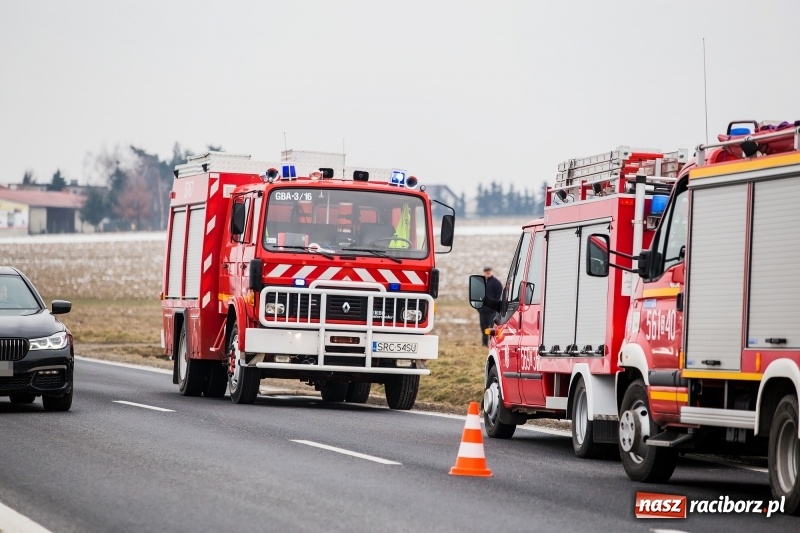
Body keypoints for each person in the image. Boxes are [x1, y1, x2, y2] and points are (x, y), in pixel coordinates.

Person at [478, 266, 503, 347]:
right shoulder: (481, 283)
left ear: (492, 271)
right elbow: (477, 296)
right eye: (486, 271)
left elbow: (500, 296)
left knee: (493, 329)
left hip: (492, 312)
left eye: (489, 270)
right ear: (483, 272)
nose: (487, 272)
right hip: (482, 312)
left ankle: (493, 345)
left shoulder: (496, 283)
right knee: (483, 329)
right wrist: (479, 308)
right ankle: (484, 345)